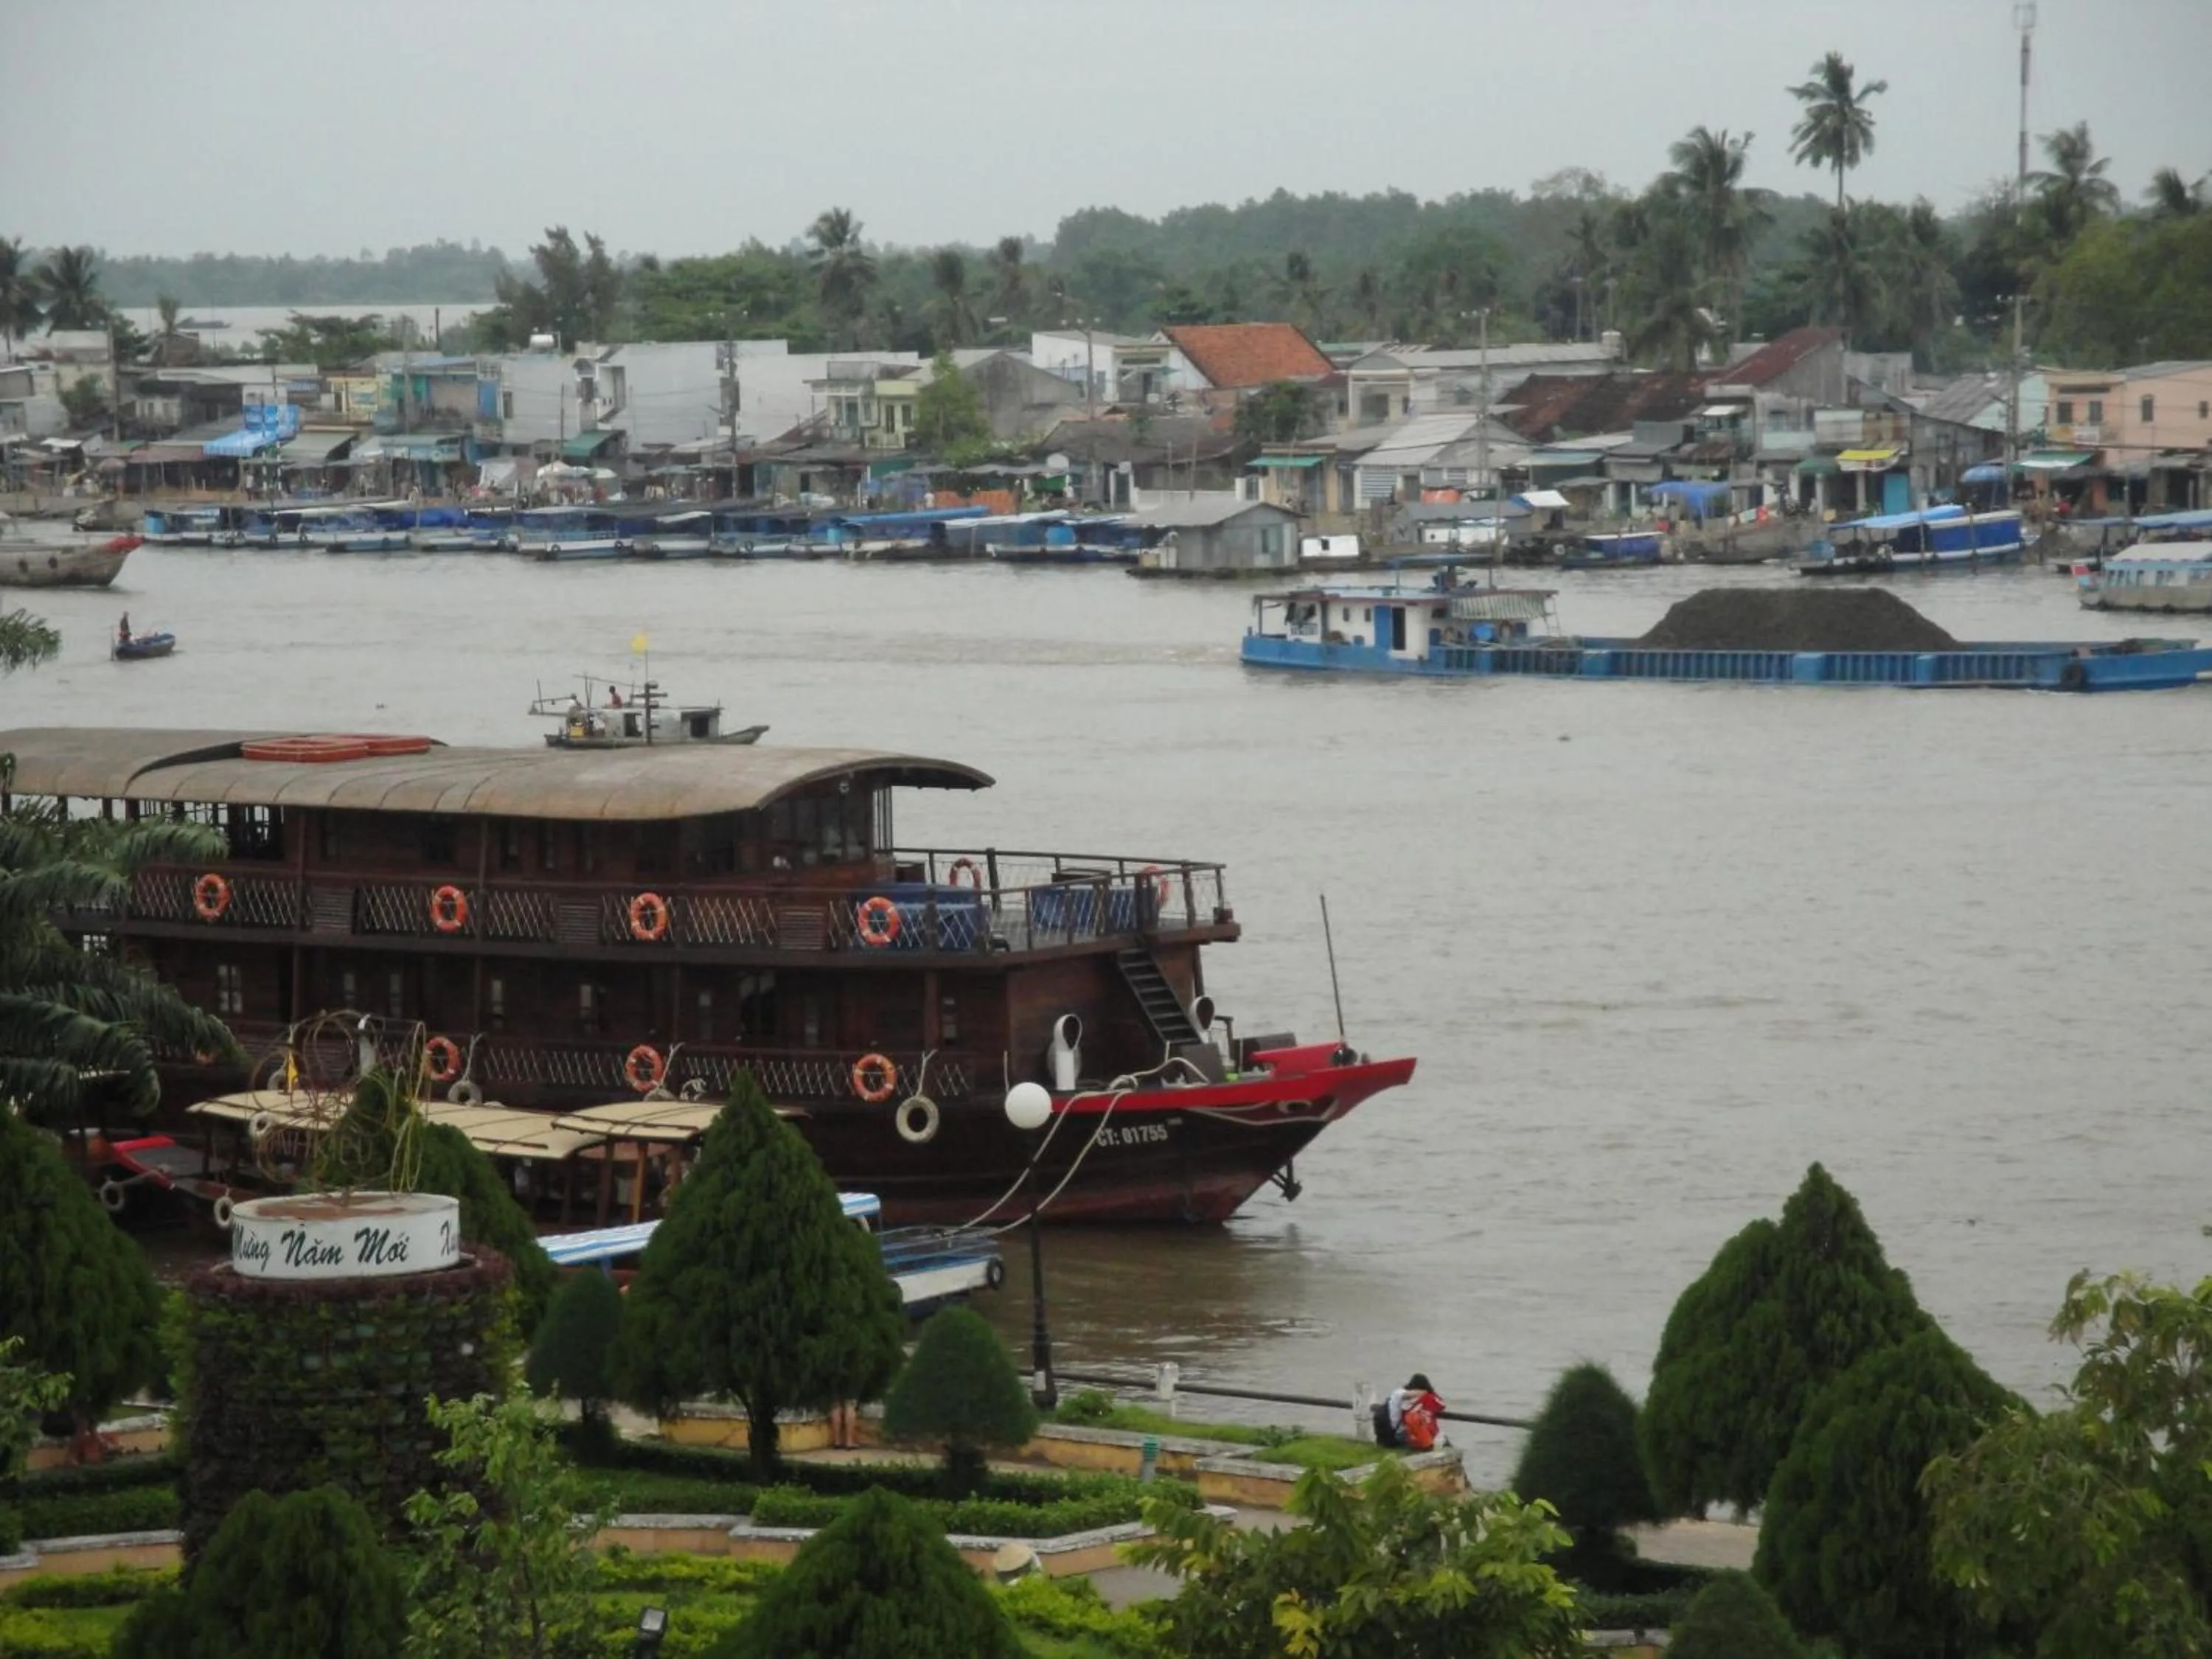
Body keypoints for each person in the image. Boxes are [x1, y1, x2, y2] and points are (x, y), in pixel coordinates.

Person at [1375, 1372, 1446, 1451]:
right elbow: (1441, 1404)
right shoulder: (1400, 1393)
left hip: (1388, 1430)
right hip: (1393, 1432)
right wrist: (1428, 1392)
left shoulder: (1401, 1396)